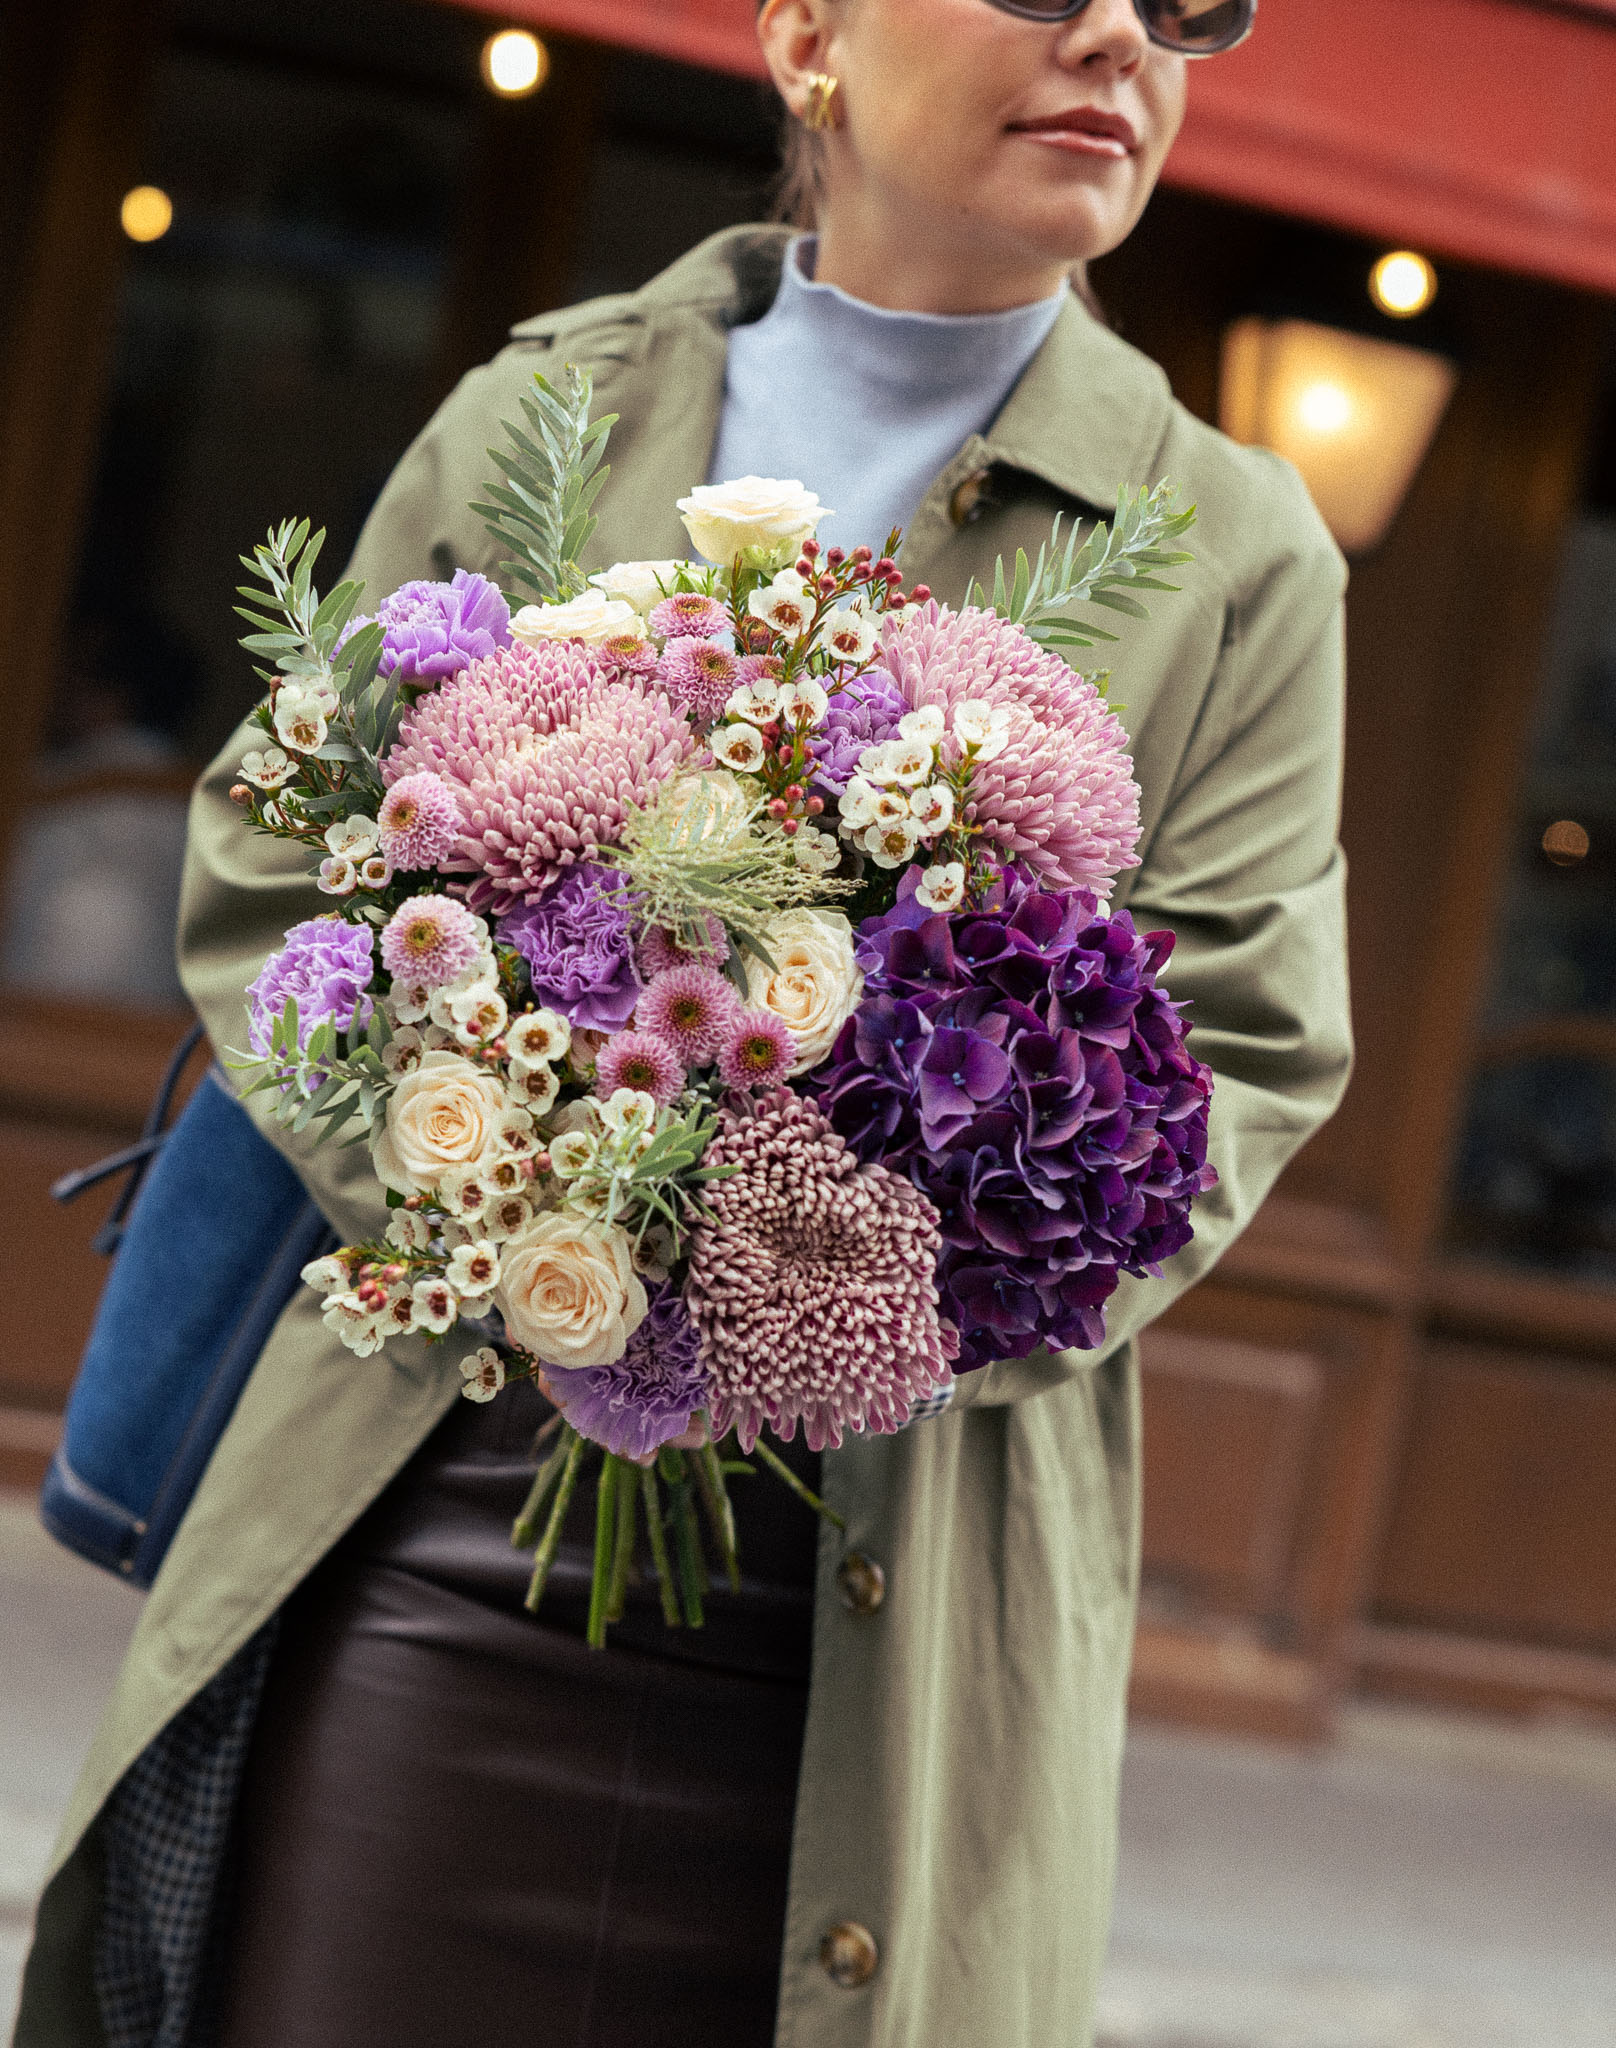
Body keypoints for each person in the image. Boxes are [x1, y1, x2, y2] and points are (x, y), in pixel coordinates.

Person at [16, 0, 1351, 2043]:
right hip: (436, 1549)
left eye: (1187, 5)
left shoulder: (1234, 550)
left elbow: (1236, 1058)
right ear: (808, 28)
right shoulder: (546, 409)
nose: (1116, 33)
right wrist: (536, 1181)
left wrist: (821, 1277)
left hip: (892, 1635)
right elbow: (284, 860)